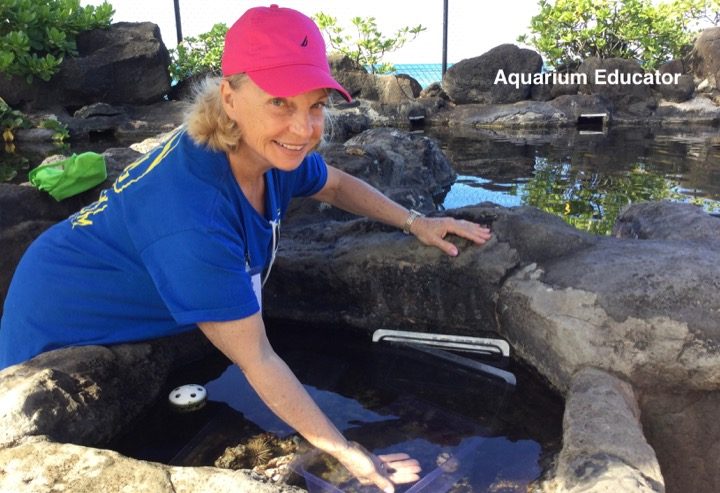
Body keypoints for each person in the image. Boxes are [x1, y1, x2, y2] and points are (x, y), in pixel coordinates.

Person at [0, 5, 491, 491]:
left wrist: (416, 221)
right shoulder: (194, 217)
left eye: (315, 104)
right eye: (280, 101)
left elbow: (335, 184)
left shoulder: (269, 148)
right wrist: (346, 452)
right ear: (230, 97)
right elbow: (257, 358)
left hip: (111, 271)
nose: (304, 129)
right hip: (59, 315)